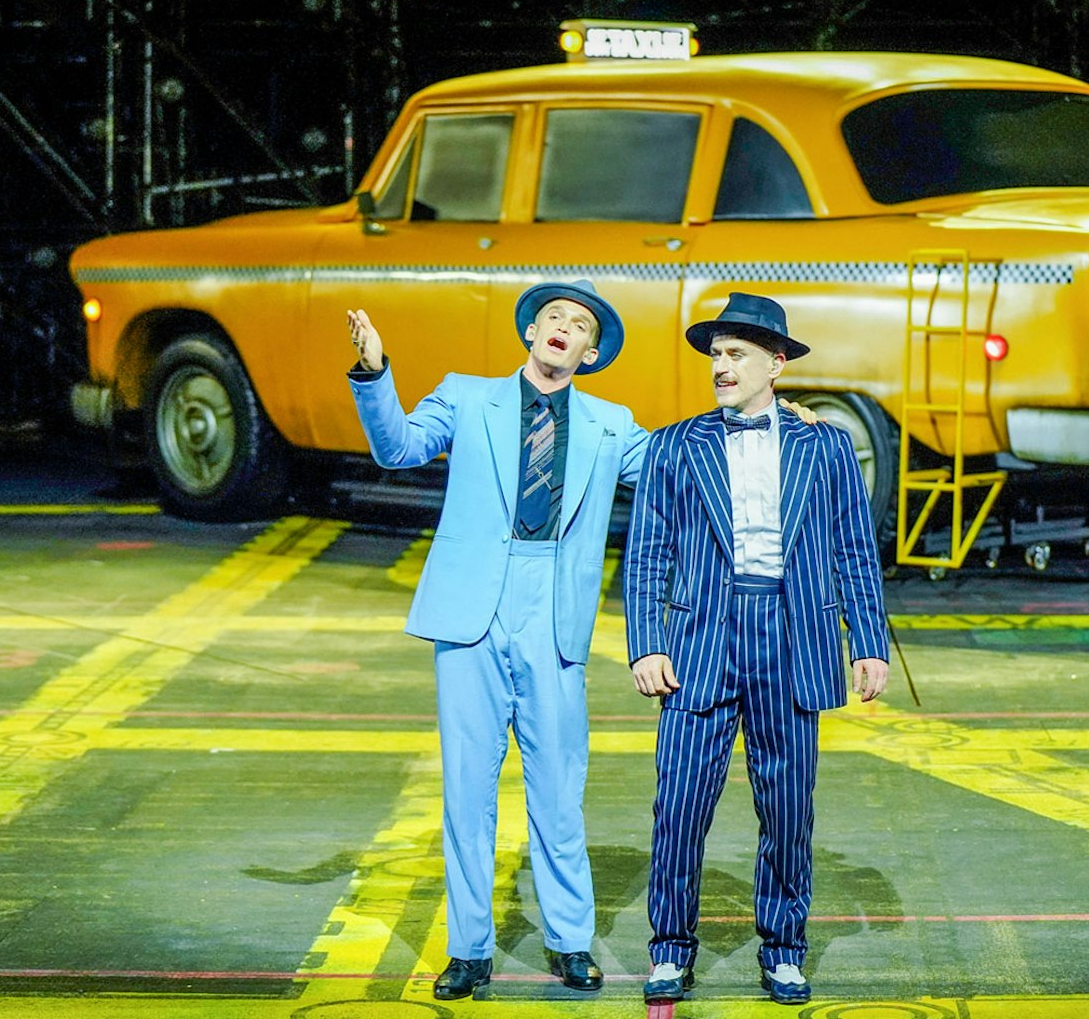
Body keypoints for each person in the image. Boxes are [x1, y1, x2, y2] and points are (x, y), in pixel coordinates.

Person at [346, 280, 648, 1000]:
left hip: (554, 612)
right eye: (553, 318)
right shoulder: (466, 397)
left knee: (557, 788)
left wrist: (766, 425)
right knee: (467, 790)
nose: (563, 329)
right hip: (473, 607)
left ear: (591, 350)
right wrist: (373, 373)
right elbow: (397, 448)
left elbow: (683, 468)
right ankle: (470, 949)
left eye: (578, 325)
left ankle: (570, 940)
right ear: (530, 333)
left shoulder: (611, 424)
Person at [622, 291, 889, 1006]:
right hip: (703, 637)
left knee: (787, 809)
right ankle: (671, 949)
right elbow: (646, 553)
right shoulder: (676, 445)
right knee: (678, 805)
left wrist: (869, 642)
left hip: (792, 635)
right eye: (715, 354)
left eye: (736, 354)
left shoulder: (826, 445)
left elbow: (853, 551)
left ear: (776, 363)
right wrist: (646, 643)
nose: (721, 365)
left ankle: (785, 950)